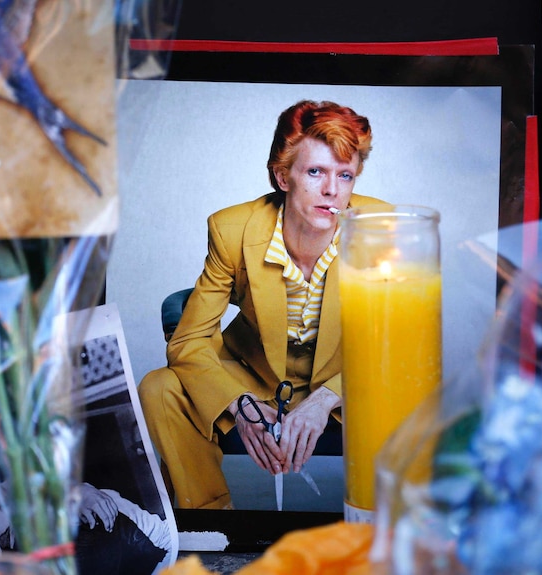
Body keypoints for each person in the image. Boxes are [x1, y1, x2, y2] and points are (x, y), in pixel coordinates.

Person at [139, 100, 388, 509]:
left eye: (345, 175)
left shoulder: (380, 228)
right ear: (283, 175)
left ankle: (386, 534)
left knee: (414, 390)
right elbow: (188, 342)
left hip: (346, 383)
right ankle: (210, 521)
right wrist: (239, 405)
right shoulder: (231, 229)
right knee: (159, 386)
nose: (332, 191)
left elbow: (396, 344)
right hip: (252, 377)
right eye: (315, 172)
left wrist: (325, 400)